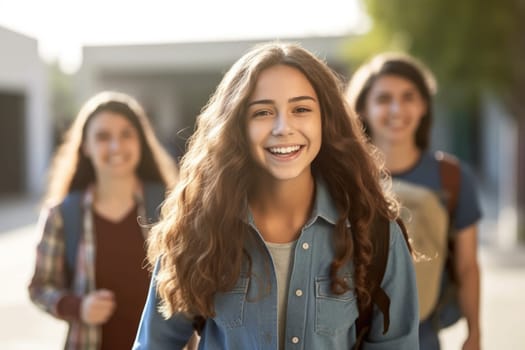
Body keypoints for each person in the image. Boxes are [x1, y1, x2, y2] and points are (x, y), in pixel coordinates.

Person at [133, 42, 419, 350]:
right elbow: (154, 344)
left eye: (301, 109)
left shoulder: (375, 233)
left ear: (325, 119)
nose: (283, 127)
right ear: (237, 126)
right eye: (263, 112)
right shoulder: (197, 229)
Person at [346, 52, 482, 350]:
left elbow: (468, 265)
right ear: (364, 108)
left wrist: (474, 333)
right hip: (347, 335)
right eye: (383, 99)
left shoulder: (452, 178)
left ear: (423, 106)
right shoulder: (344, 178)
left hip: (423, 336)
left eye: (408, 97)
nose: (397, 108)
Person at [28, 91, 178, 350]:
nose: (115, 146)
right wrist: (78, 307)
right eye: (102, 137)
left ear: (141, 141)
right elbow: (40, 287)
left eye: (126, 134)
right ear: (85, 146)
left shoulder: (173, 207)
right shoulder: (63, 215)